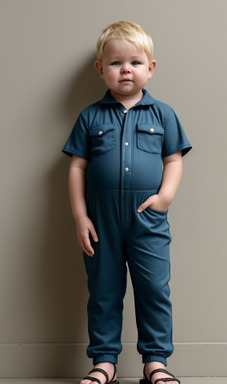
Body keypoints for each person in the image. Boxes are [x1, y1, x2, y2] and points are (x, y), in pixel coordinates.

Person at [62, 21, 192, 384]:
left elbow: (174, 160)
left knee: (153, 290)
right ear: (101, 69)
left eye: (135, 62)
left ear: (150, 69)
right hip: (100, 219)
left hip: (147, 218)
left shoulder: (163, 114)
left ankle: (155, 361)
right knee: (103, 291)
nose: (126, 70)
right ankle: (104, 362)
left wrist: (164, 198)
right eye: (116, 63)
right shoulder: (90, 116)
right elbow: (77, 167)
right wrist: (80, 216)